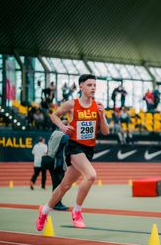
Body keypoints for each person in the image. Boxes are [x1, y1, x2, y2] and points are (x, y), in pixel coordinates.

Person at [35, 74, 109, 230]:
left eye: (95, 85)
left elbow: (105, 131)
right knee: (91, 175)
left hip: (88, 149)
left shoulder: (98, 106)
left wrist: (102, 116)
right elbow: (54, 115)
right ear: (81, 87)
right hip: (74, 147)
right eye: (89, 85)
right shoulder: (72, 104)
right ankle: (77, 212)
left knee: (65, 185)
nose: (93, 88)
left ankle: (45, 211)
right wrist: (62, 127)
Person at [41, 126, 70, 211]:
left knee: (55, 183)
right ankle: (57, 203)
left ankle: (53, 203)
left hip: (52, 161)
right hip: (58, 163)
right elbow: (71, 139)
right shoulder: (62, 135)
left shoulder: (54, 133)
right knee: (59, 184)